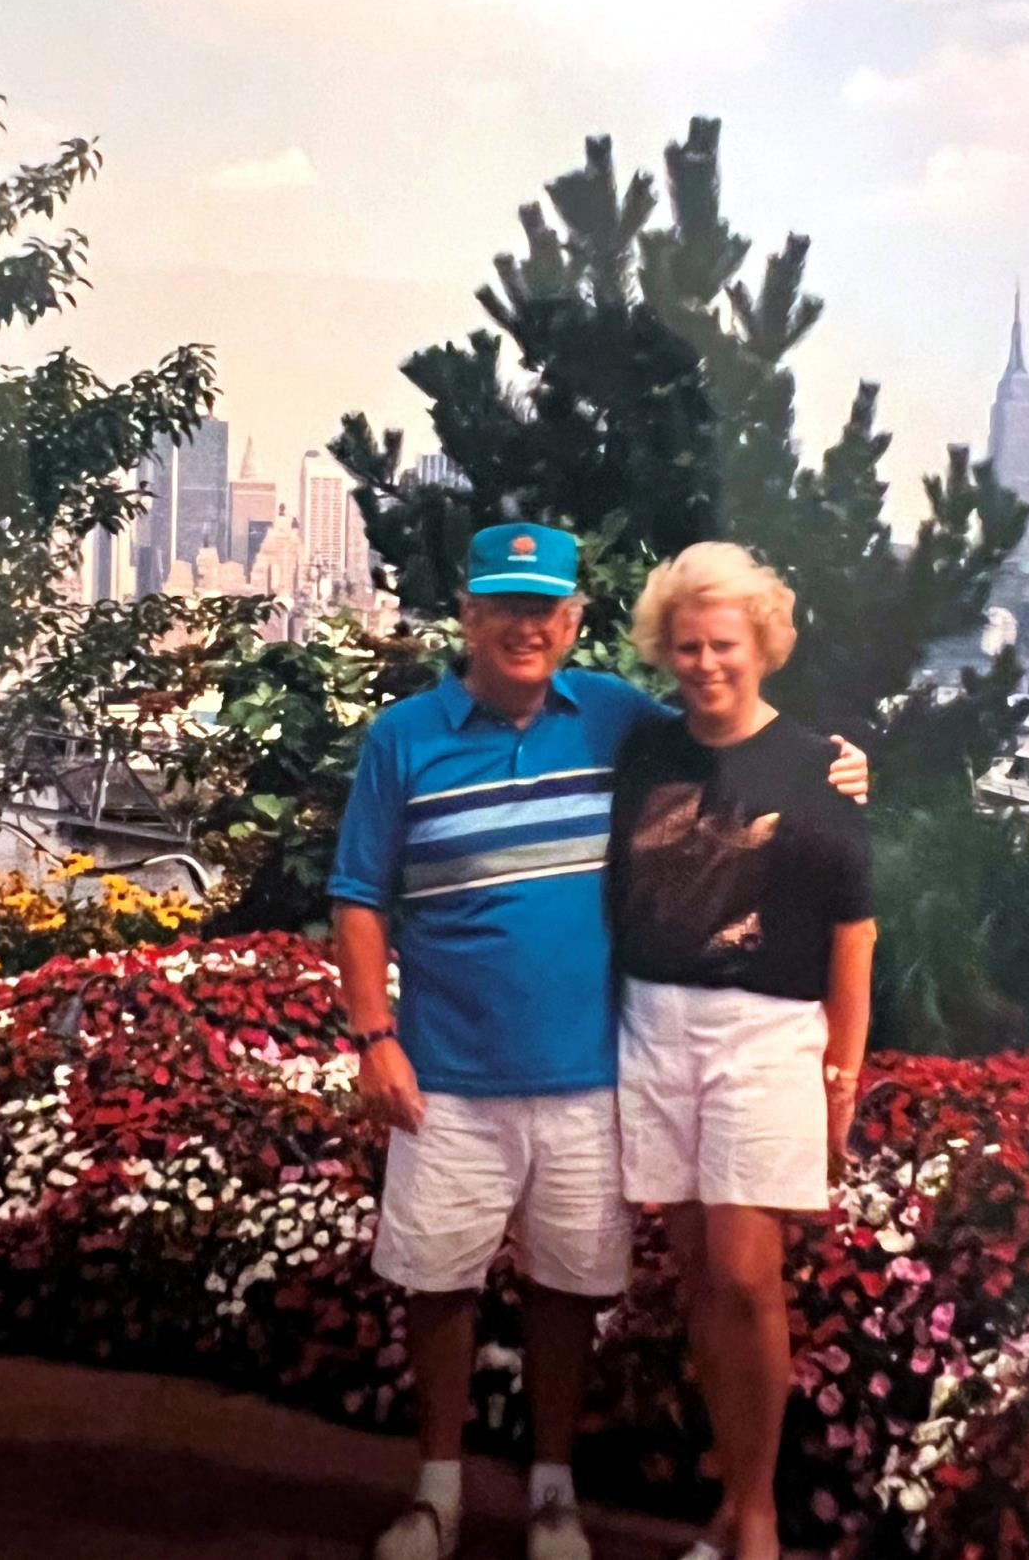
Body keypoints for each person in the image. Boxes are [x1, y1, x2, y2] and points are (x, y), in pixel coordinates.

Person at [328, 523, 867, 1560]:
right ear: (468, 617)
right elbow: (358, 895)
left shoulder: (619, 719)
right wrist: (373, 1036)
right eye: (504, 607)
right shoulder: (403, 737)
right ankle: (436, 1492)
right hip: (445, 1073)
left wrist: (835, 766)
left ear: (574, 621)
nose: (525, 627)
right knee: (438, 1282)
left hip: (590, 1075)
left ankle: (551, 1492)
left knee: (568, 1289)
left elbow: (733, 728)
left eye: (545, 609)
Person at [607, 542, 877, 1560]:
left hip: (765, 1036)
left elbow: (854, 932)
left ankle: (757, 1511)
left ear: (761, 643)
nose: (705, 662)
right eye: (686, 646)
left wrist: (842, 1076)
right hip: (653, 1027)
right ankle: (728, 1502)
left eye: (723, 643)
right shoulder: (643, 752)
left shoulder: (817, 766)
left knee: (745, 1271)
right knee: (698, 1280)